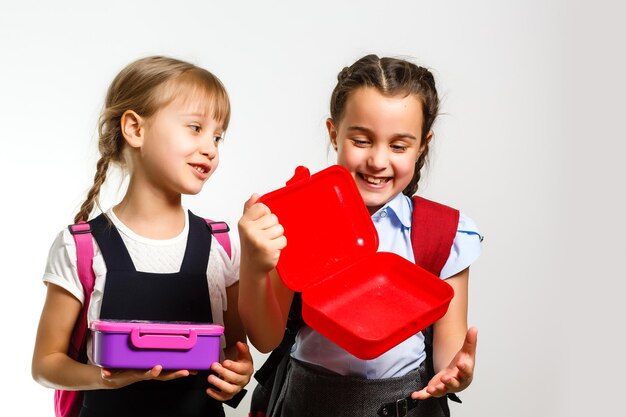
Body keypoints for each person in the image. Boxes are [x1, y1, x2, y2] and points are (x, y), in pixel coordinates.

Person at [238, 54, 482, 417]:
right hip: (309, 401)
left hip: (408, 404)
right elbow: (265, 337)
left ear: (422, 145)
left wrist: (456, 373)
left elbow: (449, 350)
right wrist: (255, 265)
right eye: (362, 140)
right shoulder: (297, 218)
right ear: (334, 132)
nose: (378, 161)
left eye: (399, 146)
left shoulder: (444, 232)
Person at [31, 56, 253, 417]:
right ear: (135, 129)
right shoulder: (80, 248)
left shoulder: (221, 245)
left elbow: (233, 350)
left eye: (217, 136)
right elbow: (45, 364)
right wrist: (107, 379)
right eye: (195, 128)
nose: (211, 148)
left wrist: (238, 372)